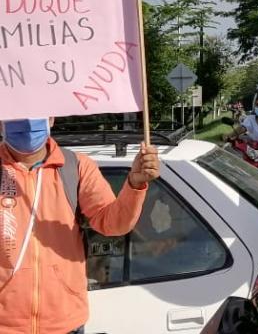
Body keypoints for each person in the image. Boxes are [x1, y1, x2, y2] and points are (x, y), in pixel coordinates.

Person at [0, 117, 160, 334]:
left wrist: (135, 183)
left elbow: (113, 223)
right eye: (17, 113)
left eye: (36, 112)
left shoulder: (75, 167)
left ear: (51, 118)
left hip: (65, 324)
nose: (27, 123)